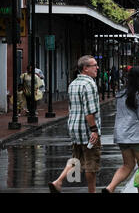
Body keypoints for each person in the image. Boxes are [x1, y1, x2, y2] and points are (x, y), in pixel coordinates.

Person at [48, 55, 101, 193]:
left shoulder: (73, 84)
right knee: (91, 164)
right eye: (94, 65)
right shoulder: (89, 84)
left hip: (74, 128)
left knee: (76, 159)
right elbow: (90, 112)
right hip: (87, 129)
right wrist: (94, 130)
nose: (97, 68)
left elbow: (71, 108)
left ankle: (58, 181)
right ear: (85, 68)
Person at [103, 67, 139, 193]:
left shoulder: (120, 95)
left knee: (127, 166)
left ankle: (110, 188)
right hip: (137, 137)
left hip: (122, 136)